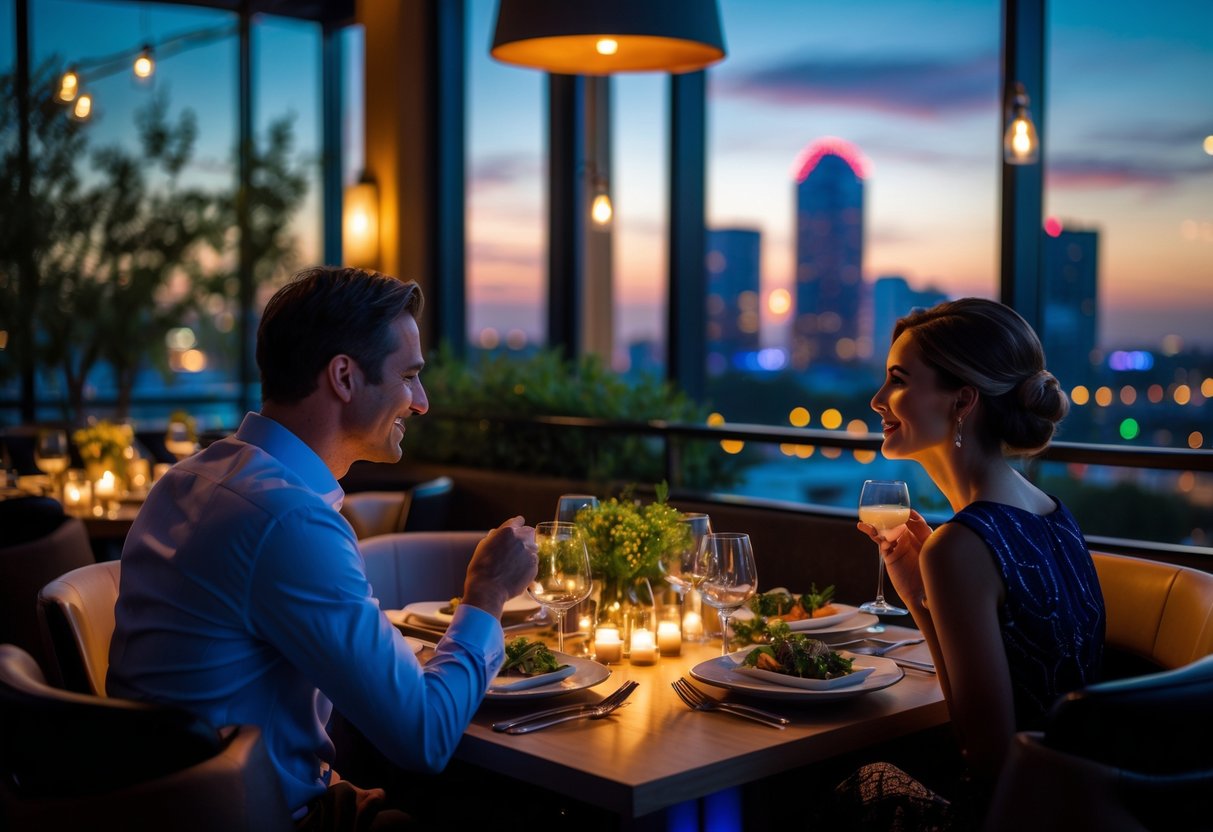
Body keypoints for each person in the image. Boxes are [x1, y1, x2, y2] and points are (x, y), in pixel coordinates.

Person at [108, 266, 539, 830]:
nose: (422, 401)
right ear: (343, 377)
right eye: (408, 376)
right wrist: (485, 596)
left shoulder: (192, 479)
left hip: (159, 800)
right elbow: (424, 738)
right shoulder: (287, 521)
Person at [847, 298, 1105, 827]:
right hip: (1081, 806)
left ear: (963, 401)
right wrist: (921, 592)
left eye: (898, 380)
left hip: (1014, 815)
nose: (877, 400)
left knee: (857, 786)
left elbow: (984, 758)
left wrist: (925, 599)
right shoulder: (1054, 514)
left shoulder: (961, 545)